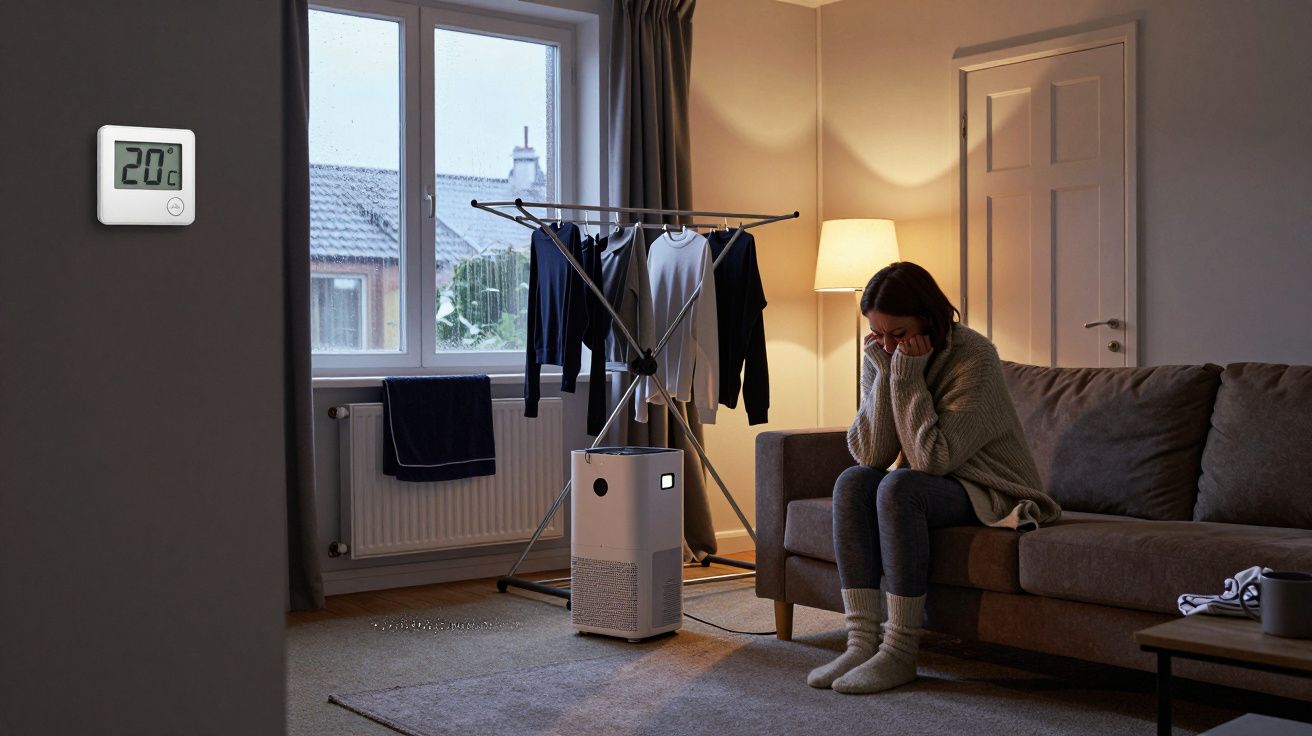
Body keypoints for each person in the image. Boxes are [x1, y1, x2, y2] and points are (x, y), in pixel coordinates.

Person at [808, 261, 1061, 694]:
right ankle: (861, 641)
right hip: (936, 482)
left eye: (898, 334)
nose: (887, 344)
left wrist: (906, 375)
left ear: (928, 318)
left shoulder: (974, 357)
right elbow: (871, 453)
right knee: (853, 481)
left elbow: (932, 459)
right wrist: (888, 369)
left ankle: (901, 650)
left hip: (990, 487)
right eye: (878, 333)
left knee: (899, 486)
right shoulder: (882, 354)